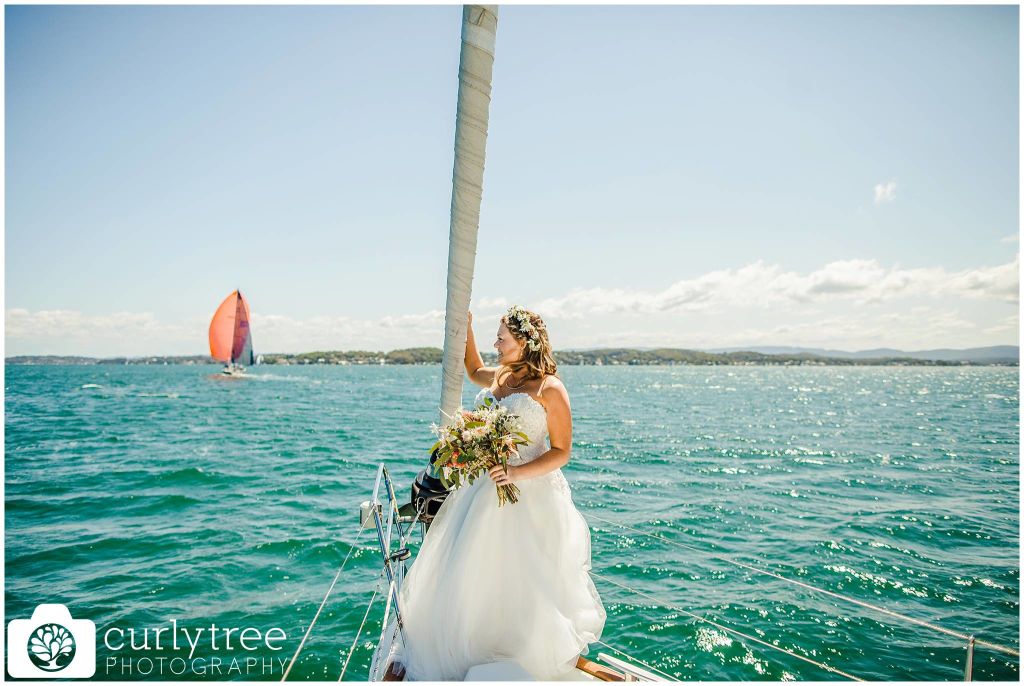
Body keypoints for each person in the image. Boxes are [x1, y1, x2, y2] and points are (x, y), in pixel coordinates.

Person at [393, 305, 606, 681]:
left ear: (525, 342)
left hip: (529, 496)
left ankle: (518, 652)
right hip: (481, 491)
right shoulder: (502, 375)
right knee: (472, 572)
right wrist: (466, 327)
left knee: (521, 579)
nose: (496, 344)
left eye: (501, 338)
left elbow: (562, 451)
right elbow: (474, 370)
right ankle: (473, 646)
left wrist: (515, 472)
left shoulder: (550, 390)